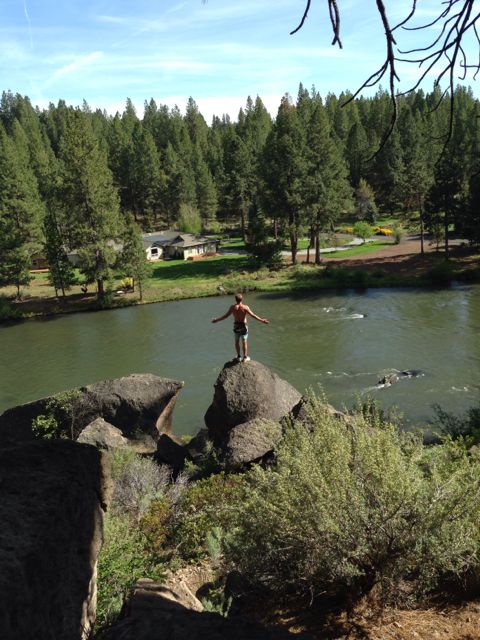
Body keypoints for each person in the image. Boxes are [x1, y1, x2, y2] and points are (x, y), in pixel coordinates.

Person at [212, 292, 269, 362]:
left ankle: (238, 356)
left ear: (235, 299)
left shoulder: (232, 307)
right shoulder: (245, 307)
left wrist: (217, 320)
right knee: (244, 341)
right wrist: (262, 320)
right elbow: (253, 315)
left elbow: (225, 316)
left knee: (236, 341)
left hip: (236, 326)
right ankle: (245, 357)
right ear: (242, 299)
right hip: (243, 326)